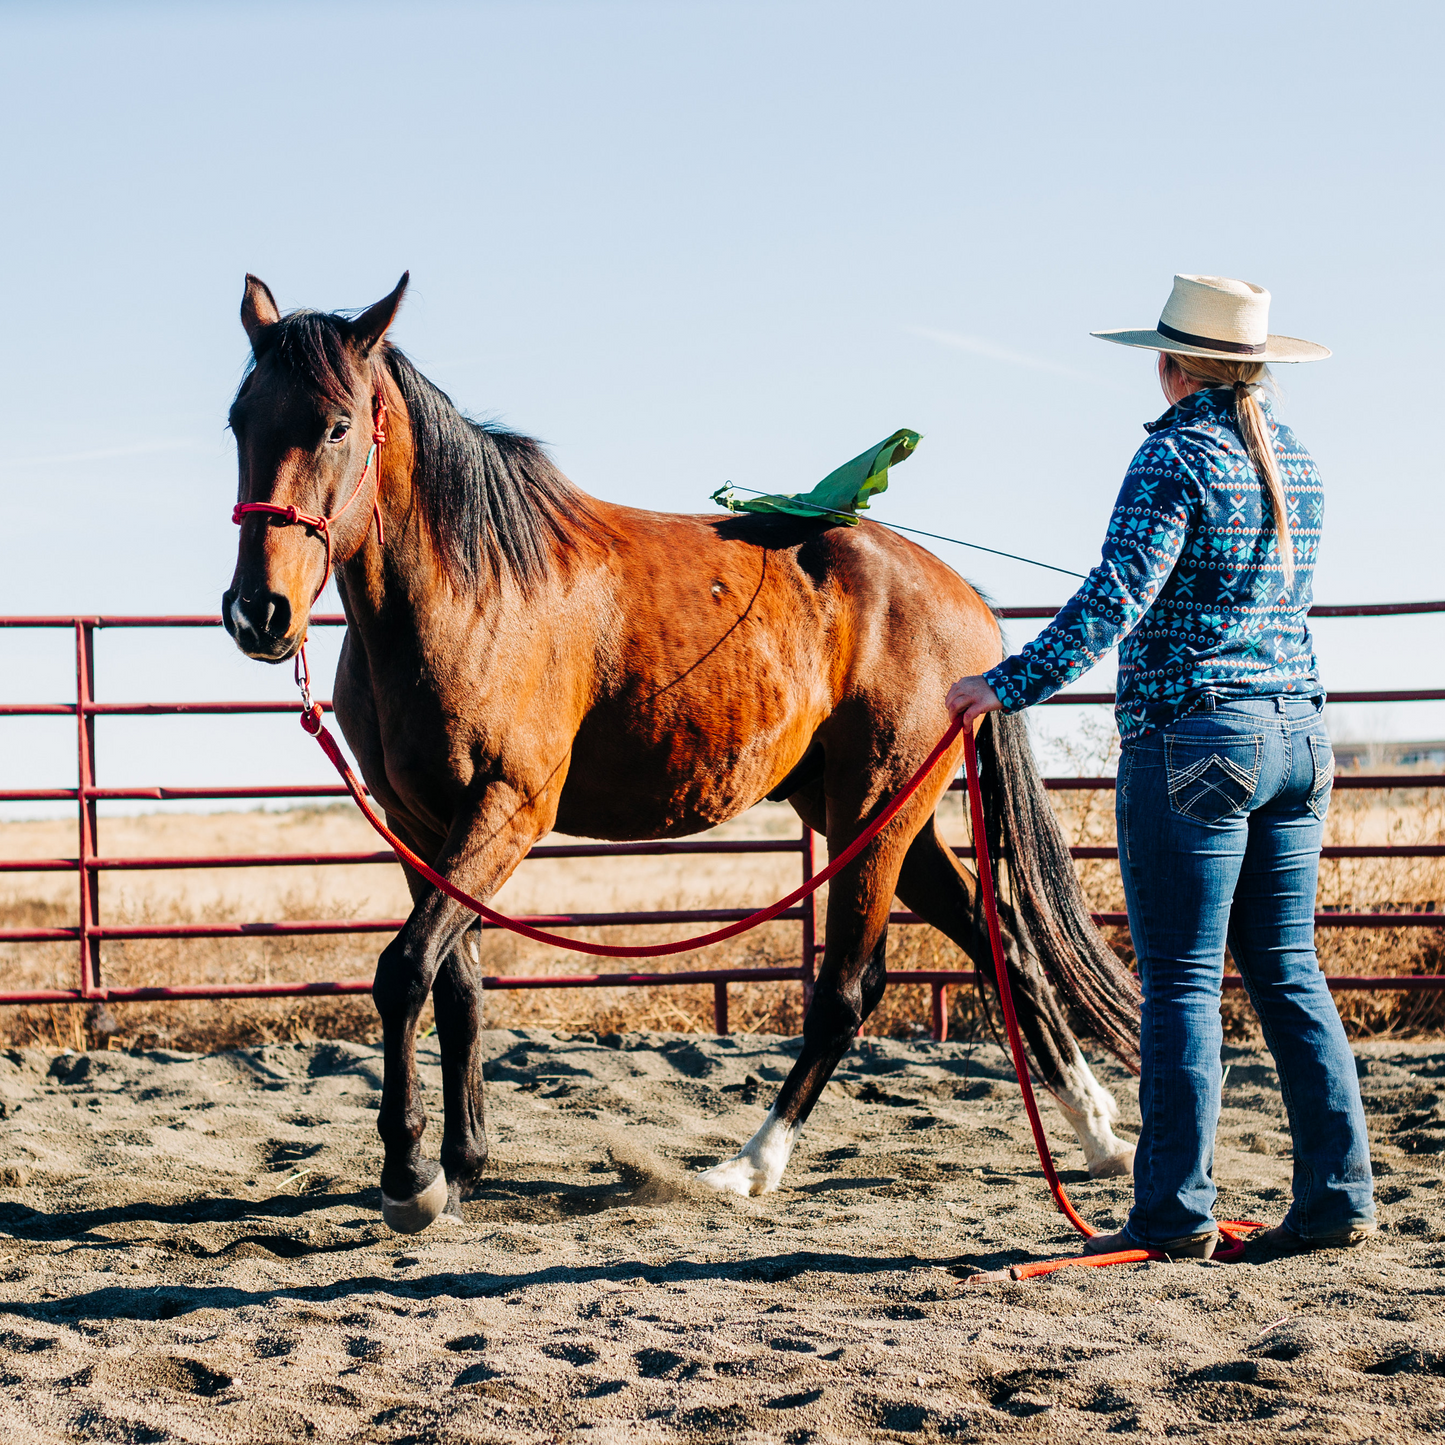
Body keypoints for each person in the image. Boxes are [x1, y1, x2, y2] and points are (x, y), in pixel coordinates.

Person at [946, 274, 1375, 1259]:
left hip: (1195, 742)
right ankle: (1335, 1192)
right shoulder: (1295, 459)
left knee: (1181, 983)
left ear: (1167, 362)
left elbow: (1113, 597)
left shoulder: (1170, 454)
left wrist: (1006, 684)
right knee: (1286, 970)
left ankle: (1173, 1212)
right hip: (1298, 736)